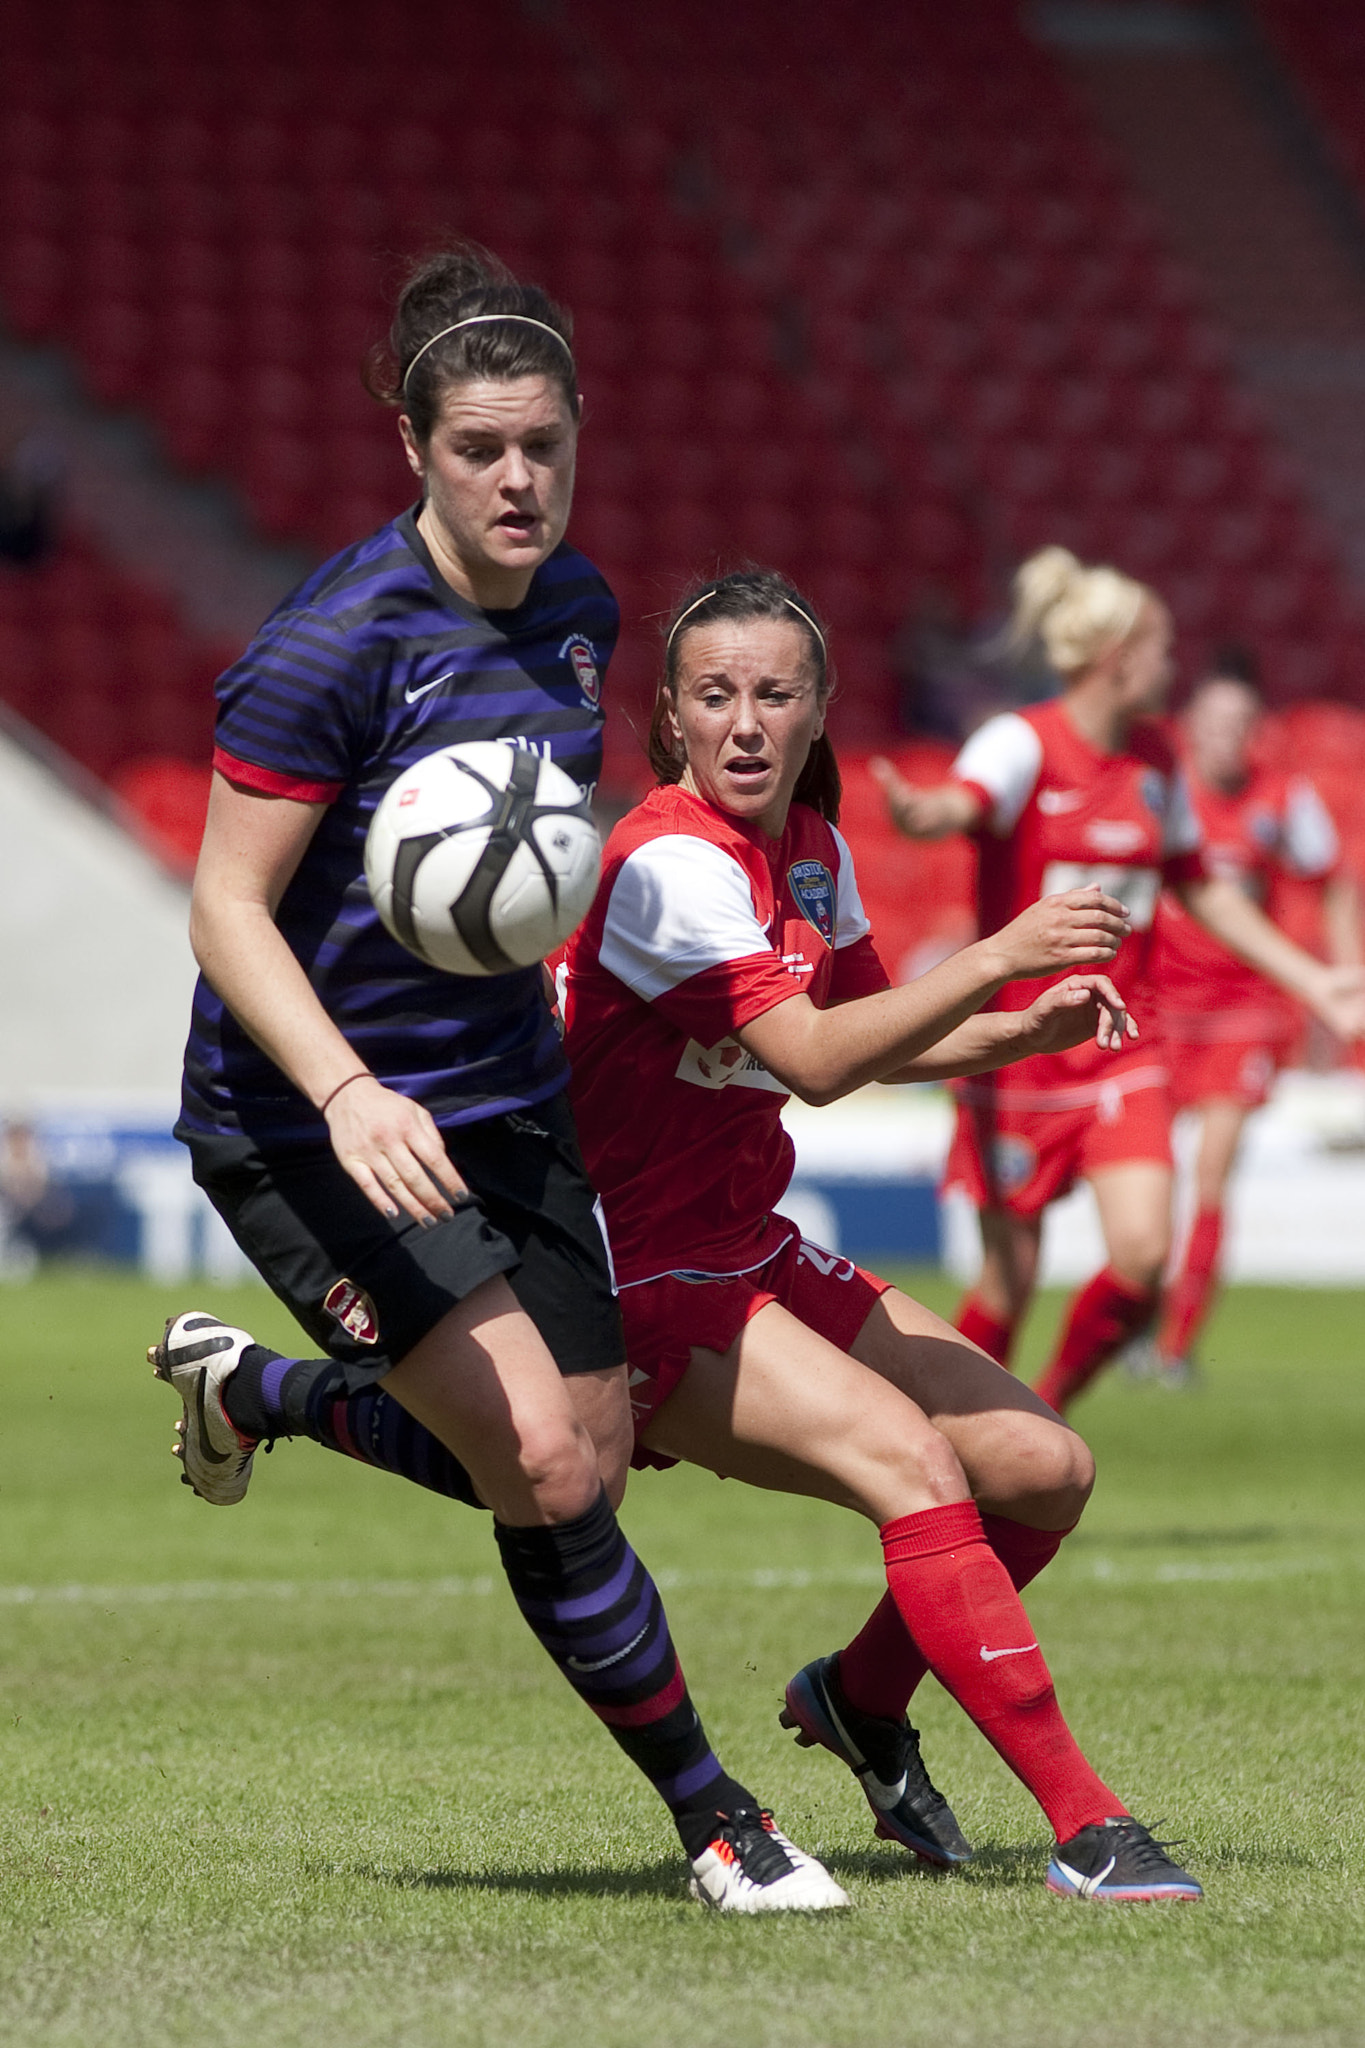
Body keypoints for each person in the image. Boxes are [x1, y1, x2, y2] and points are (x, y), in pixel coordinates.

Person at [151, 245, 847, 1914]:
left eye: (544, 442)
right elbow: (225, 907)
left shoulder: (585, 615)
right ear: (414, 443)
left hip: (504, 1098)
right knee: (540, 1465)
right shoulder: (327, 649)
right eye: (481, 447)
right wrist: (343, 1092)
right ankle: (721, 1820)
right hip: (312, 1120)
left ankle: (261, 1393)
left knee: (582, 1459)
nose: (518, 476)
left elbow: (515, 864)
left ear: (580, 433)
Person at [559, 566, 1204, 1903]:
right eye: (714, 695)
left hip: (745, 1243)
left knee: (1045, 1466)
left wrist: (1014, 1030)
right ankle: (1089, 1832)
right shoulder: (667, 861)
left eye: (774, 695)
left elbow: (873, 1034)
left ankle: (859, 1696)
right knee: (917, 1465)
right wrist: (992, 960)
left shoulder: (810, 845)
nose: (744, 722)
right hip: (640, 1278)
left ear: (819, 710)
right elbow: (806, 1056)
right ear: (668, 720)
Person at [870, 547, 1365, 1416]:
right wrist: (924, 814)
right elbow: (965, 802)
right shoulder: (1022, 743)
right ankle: (943, 1433)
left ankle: (1043, 1413)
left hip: (1113, 1048)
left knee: (1140, 1258)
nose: (1170, 670)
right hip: (1015, 1052)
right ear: (1117, 656)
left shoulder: (1153, 760)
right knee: (1007, 1281)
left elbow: (1199, 883)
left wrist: (1313, 980)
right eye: (1160, 650)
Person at [1141, 657, 1360, 1380]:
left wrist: (1341, 975)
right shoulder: (1162, 791)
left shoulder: (1281, 799)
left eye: (1237, 725)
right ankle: (1137, 1324)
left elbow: (1328, 882)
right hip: (1164, 1004)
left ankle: (1173, 1348)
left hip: (1242, 1009)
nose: (1222, 738)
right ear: (1188, 727)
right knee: (1149, 1175)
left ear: (1254, 732)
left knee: (1210, 1173)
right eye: (1210, 723)